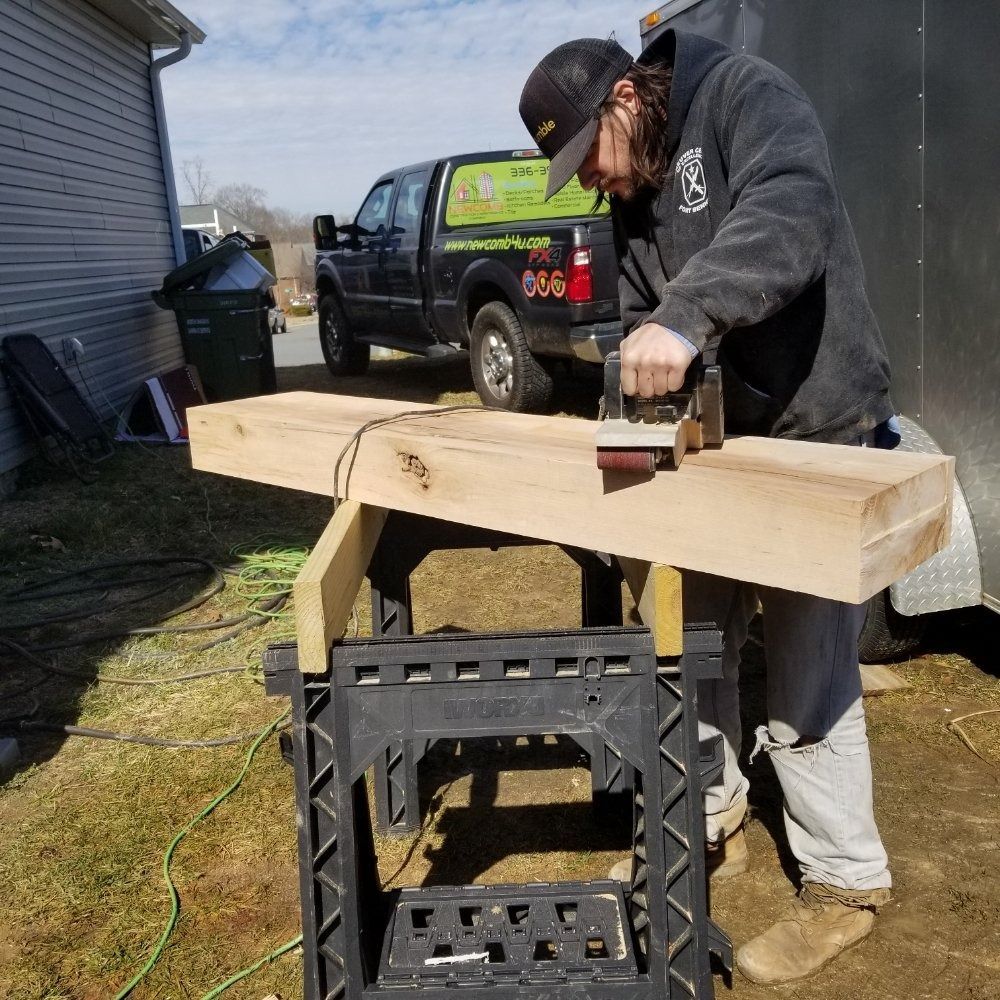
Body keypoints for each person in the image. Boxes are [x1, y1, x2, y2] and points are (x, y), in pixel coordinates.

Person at [519, 31, 898, 985]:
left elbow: (792, 213)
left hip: (816, 416)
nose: (594, 184)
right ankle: (710, 805)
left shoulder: (742, 96)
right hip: (727, 431)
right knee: (701, 628)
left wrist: (686, 319)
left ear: (624, 102)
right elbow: (640, 311)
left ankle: (847, 880)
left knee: (809, 655)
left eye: (587, 160)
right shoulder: (633, 184)